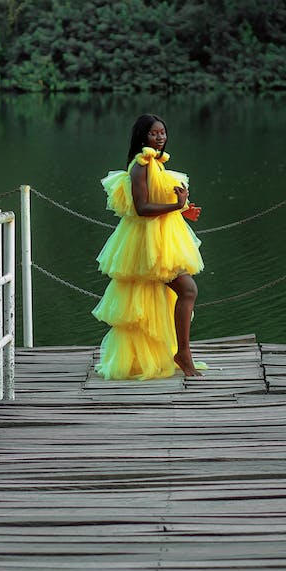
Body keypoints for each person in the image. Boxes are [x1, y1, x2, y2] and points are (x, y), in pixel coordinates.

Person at [93, 114, 205, 380]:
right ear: (143, 136)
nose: (160, 138)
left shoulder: (155, 164)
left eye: (163, 133)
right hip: (148, 242)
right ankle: (183, 354)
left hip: (163, 237)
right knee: (188, 289)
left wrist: (183, 210)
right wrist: (175, 206)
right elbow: (142, 208)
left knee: (160, 297)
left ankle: (161, 353)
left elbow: (156, 197)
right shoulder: (140, 166)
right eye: (154, 134)